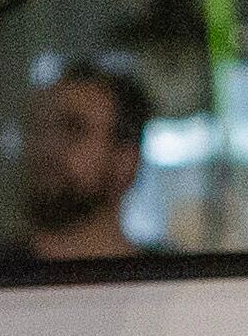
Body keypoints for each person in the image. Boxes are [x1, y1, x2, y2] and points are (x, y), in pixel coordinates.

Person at [12, 60, 151, 261]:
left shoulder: (172, 283)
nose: (48, 146)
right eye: (39, 128)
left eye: (73, 129)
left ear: (125, 160)